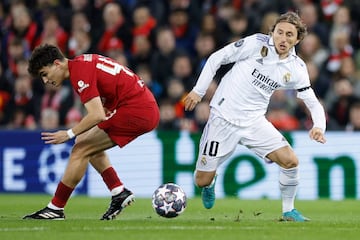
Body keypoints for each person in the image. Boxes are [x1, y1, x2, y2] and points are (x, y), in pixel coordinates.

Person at [183, 12, 326, 222]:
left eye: (289, 35)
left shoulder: (297, 68)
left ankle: (288, 210)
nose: (283, 39)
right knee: (202, 180)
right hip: (222, 118)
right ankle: (211, 182)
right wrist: (199, 90)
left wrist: (319, 126)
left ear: (298, 39)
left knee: (291, 161)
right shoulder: (256, 44)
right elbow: (217, 58)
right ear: (273, 31)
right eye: (279, 32)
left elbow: (311, 100)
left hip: (254, 122)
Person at [23, 44, 160, 220]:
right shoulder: (81, 64)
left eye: (44, 74)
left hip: (137, 110)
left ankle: (55, 208)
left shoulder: (79, 72)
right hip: (138, 106)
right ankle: (118, 191)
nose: (45, 80)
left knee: (81, 149)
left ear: (57, 64)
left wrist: (68, 133)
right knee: (84, 140)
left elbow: (97, 115)